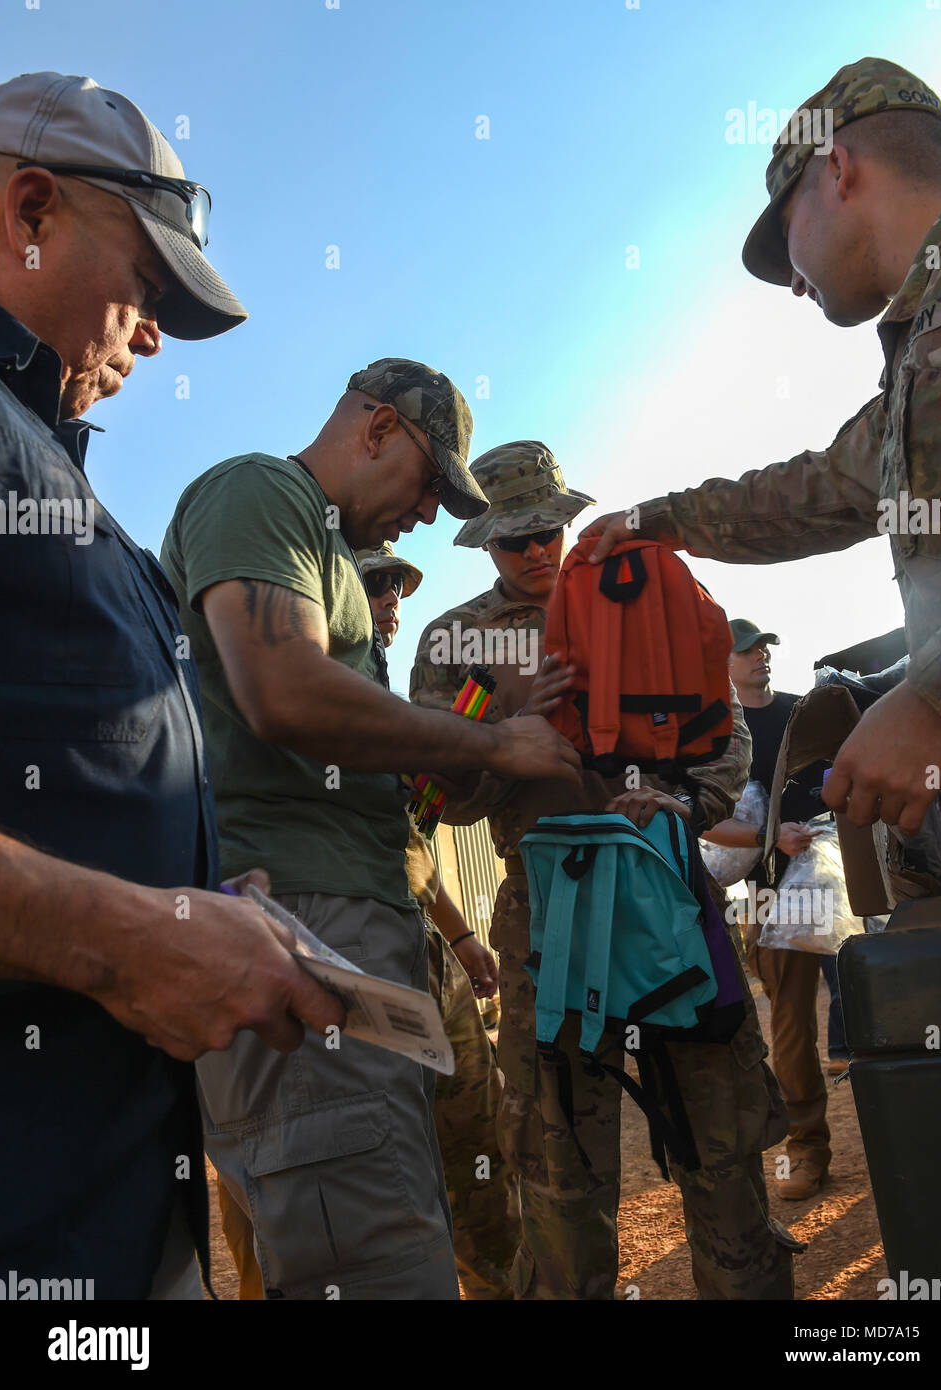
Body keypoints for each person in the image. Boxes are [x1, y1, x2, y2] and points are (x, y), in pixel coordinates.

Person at [0, 71, 345, 1302]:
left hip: (112, 1206)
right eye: (146, 289)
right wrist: (128, 938)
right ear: (29, 208)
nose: (151, 336)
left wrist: (186, 890)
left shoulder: (60, 478)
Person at [161, 362, 580, 1301]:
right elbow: (284, 689)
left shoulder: (319, 546)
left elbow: (383, 778)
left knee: (403, 1212)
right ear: (378, 428)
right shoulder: (258, 489)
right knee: (370, 1252)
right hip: (304, 921)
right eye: (430, 484)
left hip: (356, 921)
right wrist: (496, 740)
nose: (430, 514)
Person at [411, 441, 802, 1300]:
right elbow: (440, 799)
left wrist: (687, 803)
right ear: (485, 543)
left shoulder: (643, 589)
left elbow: (726, 728)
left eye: (550, 529)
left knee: (721, 1140)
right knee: (559, 1169)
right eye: (516, 541)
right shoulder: (457, 640)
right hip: (546, 926)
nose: (539, 551)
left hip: (664, 900)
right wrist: (501, 736)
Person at [584, 56, 941, 887]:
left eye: (786, 232)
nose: (794, 282)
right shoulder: (920, 355)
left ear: (839, 169)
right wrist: (658, 519)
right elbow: (813, 491)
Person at [358, 539, 518, 1299]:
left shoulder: (393, 699)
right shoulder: (300, 690)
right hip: (345, 951)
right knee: (372, 1169)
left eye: (397, 586)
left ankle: (492, 1280)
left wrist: (457, 935)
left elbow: (410, 838)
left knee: (476, 1137)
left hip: (423, 946)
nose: (392, 599)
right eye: (375, 583)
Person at [702, 620, 843, 1201]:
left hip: (839, 882)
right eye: (746, 651)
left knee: (879, 995)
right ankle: (807, 1146)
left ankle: (916, 1115)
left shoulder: (804, 711)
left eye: (765, 649)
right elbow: (703, 819)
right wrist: (768, 840)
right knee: (789, 1025)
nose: (760, 657)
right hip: (768, 893)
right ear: (722, 663)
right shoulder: (718, 735)